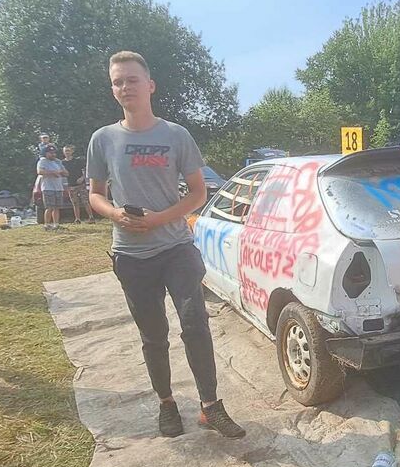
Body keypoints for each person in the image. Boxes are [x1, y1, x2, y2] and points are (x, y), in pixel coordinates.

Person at [87, 50, 244, 439]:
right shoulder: (103, 139)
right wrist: (115, 214)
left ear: (150, 85)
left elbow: (198, 193)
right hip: (131, 254)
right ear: (113, 90)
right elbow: (94, 194)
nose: (125, 87)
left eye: (132, 80)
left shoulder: (175, 135)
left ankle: (210, 406)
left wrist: (159, 218)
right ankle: (167, 403)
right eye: (118, 82)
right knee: (153, 334)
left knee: (195, 323)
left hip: (176, 248)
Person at [36, 144, 67, 229]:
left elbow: (66, 173)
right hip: (48, 188)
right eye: (50, 153)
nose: (53, 154)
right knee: (49, 207)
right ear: (45, 153)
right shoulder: (42, 161)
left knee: (57, 207)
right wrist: (53, 172)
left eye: (54, 152)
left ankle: (56, 224)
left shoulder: (58, 162)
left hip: (58, 187)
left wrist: (60, 172)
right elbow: (40, 171)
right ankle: (47, 224)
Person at [62, 144, 90, 223]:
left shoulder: (77, 161)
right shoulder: (62, 163)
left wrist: (82, 178)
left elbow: (85, 170)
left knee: (85, 201)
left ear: (72, 152)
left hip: (81, 184)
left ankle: (91, 217)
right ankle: (77, 219)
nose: (67, 152)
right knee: (75, 203)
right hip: (71, 185)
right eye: (65, 151)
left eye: (68, 151)